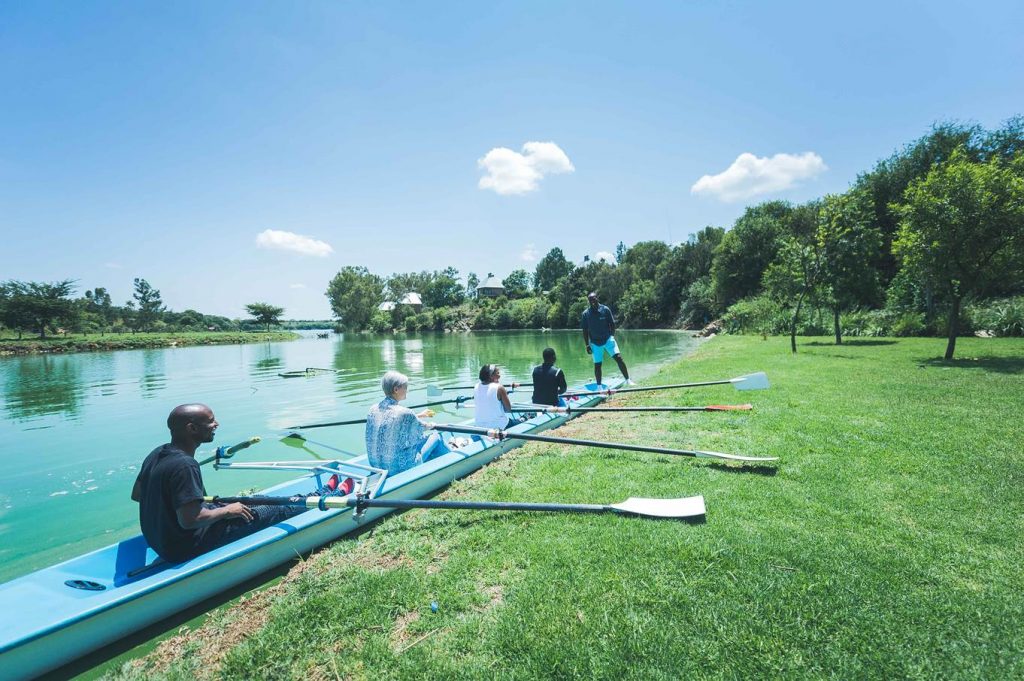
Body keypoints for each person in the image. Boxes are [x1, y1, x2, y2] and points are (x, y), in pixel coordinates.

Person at [132, 404, 307, 563]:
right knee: (273, 509)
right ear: (192, 428)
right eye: (210, 421)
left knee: (255, 500)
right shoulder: (185, 465)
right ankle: (324, 496)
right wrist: (227, 510)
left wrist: (183, 504)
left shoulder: (157, 453)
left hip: (162, 543)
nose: (217, 424)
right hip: (185, 546)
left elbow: (138, 494)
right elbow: (190, 520)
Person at [365, 370, 451, 476]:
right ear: (396, 389)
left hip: (376, 467)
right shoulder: (405, 412)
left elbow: (390, 420)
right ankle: (455, 461)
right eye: (405, 387)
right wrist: (432, 424)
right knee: (436, 436)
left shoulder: (373, 409)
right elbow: (423, 428)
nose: (407, 390)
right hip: (399, 469)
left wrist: (419, 415)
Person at [581, 291, 630, 386]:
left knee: (619, 358)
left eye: (594, 299)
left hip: (608, 339)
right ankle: (599, 387)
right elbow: (585, 330)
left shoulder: (605, 309)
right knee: (597, 365)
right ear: (588, 301)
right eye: (590, 300)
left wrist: (612, 336)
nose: (592, 301)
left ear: (597, 298)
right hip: (595, 343)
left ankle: (628, 380)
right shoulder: (586, 314)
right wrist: (587, 345)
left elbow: (612, 324)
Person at [473, 364, 519, 430]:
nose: (499, 376)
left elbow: (489, 394)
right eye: (497, 373)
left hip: (479, 427)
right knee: (522, 421)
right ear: (491, 376)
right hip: (499, 426)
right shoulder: (499, 388)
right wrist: (503, 395)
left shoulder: (476, 386)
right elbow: (508, 409)